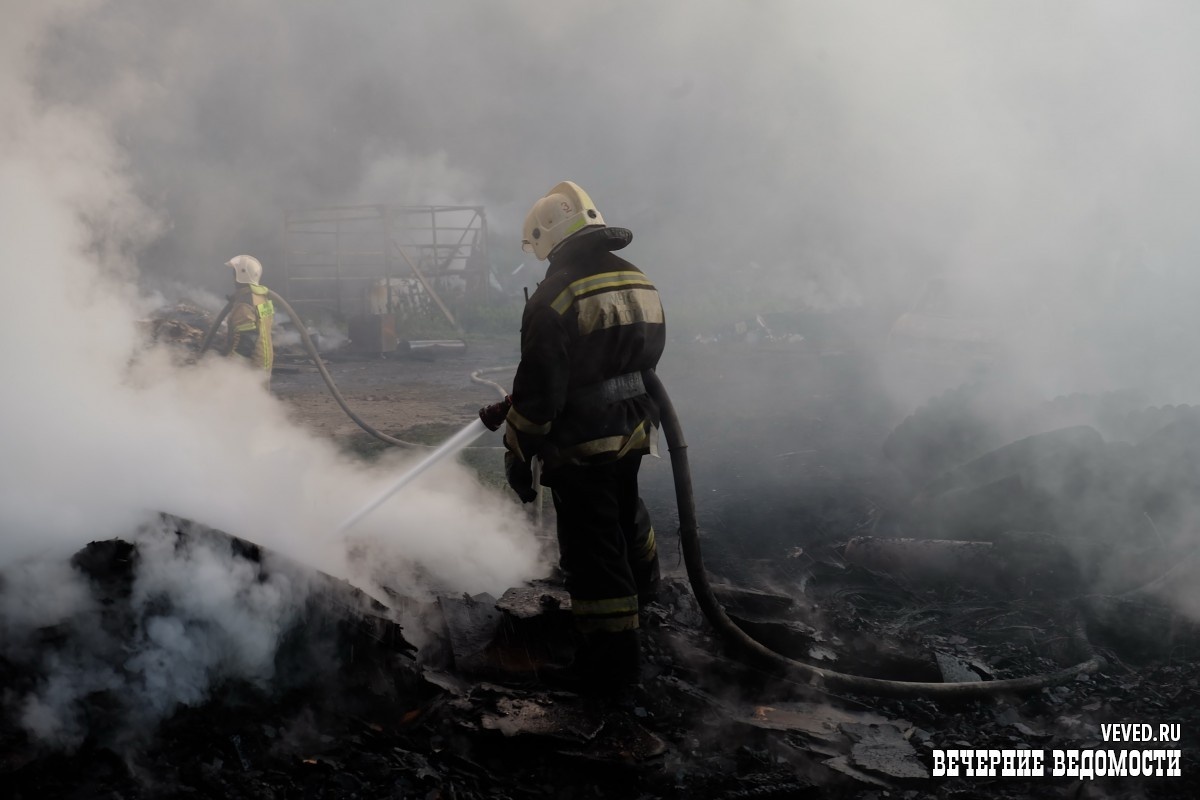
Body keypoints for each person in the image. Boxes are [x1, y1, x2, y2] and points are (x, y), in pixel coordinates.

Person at [480, 181, 665, 695]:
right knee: (625, 514)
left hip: (583, 441)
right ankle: (649, 593)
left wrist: (519, 453)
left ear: (546, 238)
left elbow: (538, 396)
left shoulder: (553, 295)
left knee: (592, 552)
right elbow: (644, 360)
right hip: (632, 428)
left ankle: (609, 670)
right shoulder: (639, 278)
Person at [221, 254, 275, 386]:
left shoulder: (244, 303)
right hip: (263, 359)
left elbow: (247, 339)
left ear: (239, 275)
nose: (232, 278)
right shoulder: (261, 297)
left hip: (251, 364)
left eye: (234, 273)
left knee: (243, 402)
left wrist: (231, 368)